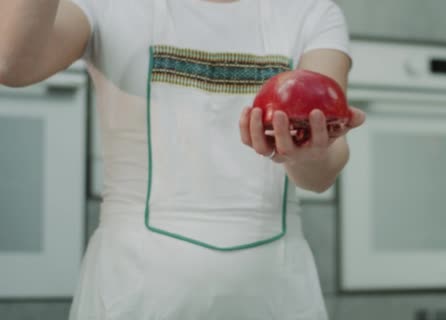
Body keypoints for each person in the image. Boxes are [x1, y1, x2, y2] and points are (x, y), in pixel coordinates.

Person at [0, 0, 365, 318]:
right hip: (133, 293)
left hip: (273, 295)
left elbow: (322, 171)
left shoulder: (312, 13)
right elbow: (12, 63)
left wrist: (304, 152)